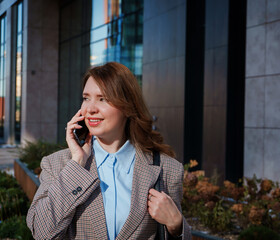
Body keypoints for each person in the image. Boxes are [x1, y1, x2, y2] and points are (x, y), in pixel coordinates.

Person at [26, 62, 191, 239]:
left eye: (102, 99)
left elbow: (174, 233)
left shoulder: (167, 169)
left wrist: (176, 225)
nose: (90, 109)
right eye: (86, 98)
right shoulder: (58, 164)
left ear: (128, 107)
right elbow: (41, 232)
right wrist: (77, 164)